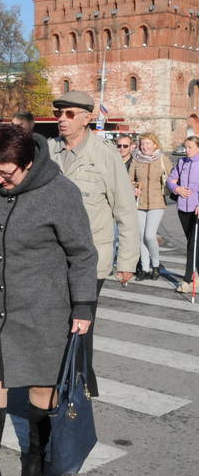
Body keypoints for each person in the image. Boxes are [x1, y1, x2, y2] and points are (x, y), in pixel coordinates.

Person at [0, 125, 97, 476]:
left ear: (29, 163)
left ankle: (35, 453)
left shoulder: (60, 193)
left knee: (40, 389)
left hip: (43, 308)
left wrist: (83, 306)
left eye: (6, 173)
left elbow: (82, 253)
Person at [47, 90, 138, 397]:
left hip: (90, 261)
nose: (62, 119)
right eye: (59, 113)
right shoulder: (48, 151)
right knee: (56, 327)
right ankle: (68, 382)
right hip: (51, 257)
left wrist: (127, 262)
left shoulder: (105, 156)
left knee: (80, 327)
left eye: (69, 114)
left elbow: (125, 210)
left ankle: (80, 389)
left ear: (86, 118)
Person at [129, 133, 171, 282]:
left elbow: (171, 178)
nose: (145, 146)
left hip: (157, 202)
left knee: (149, 235)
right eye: (142, 144)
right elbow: (129, 179)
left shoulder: (162, 158)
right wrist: (134, 187)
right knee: (141, 236)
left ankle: (155, 265)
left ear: (155, 144)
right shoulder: (136, 159)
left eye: (148, 143)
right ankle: (145, 268)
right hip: (140, 202)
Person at [166, 136, 199, 293]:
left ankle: (187, 279)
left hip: (197, 210)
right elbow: (171, 180)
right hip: (182, 209)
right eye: (185, 147)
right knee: (193, 244)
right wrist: (176, 189)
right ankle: (196, 272)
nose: (186, 150)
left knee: (193, 245)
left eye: (190, 147)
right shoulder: (182, 162)